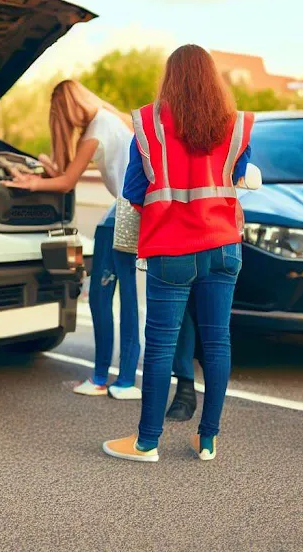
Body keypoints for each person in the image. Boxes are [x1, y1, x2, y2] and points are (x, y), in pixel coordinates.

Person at [103, 44, 253, 463]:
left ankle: (146, 442)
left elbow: (133, 191)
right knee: (217, 342)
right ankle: (207, 440)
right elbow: (242, 176)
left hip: (171, 250)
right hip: (224, 246)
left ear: (170, 78)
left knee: (161, 345)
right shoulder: (236, 125)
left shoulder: (149, 124)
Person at [7, 80, 141, 399]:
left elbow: (66, 183)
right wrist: (48, 170)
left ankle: (103, 379)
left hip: (124, 213)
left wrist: (30, 184)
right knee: (121, 298)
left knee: (102, 296)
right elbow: (67, 174)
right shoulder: (110, 121)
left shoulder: (96, 128)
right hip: (131, 211)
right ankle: (121, 381)